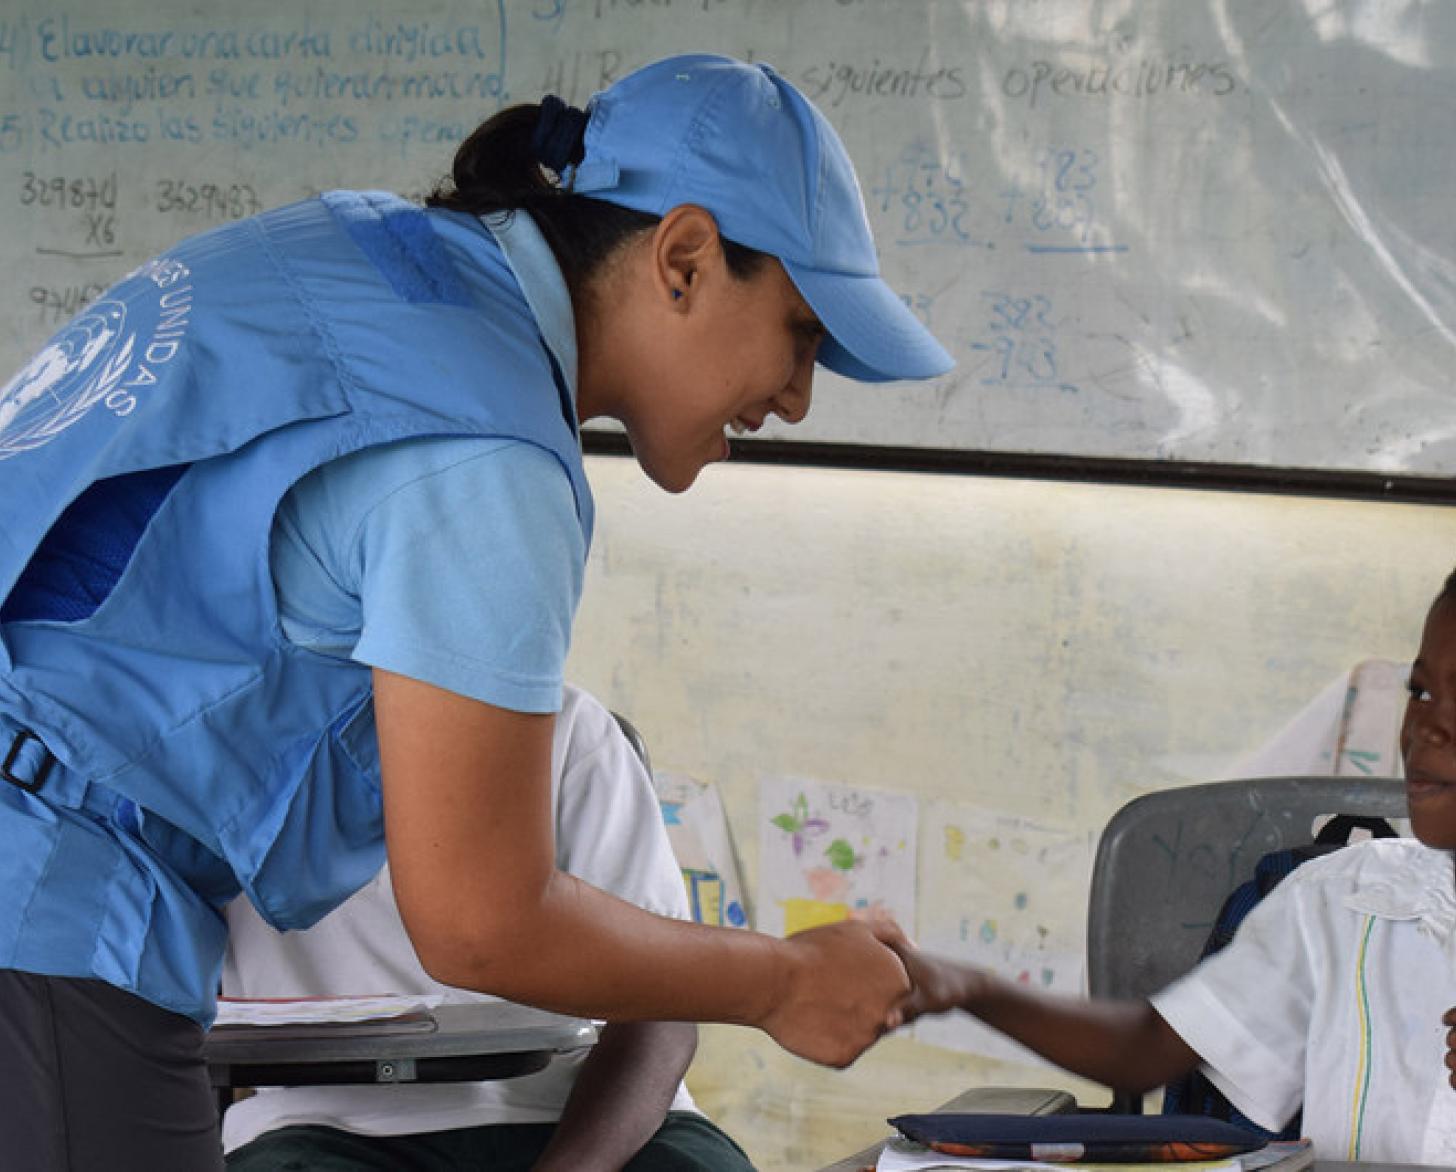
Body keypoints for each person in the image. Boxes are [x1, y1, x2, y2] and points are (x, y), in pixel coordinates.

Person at [0, 53, 952, 1169]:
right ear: (684, 257)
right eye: (800, 334)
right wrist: (783, 978)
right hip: (49, 907)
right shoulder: (484, 447)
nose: (796, 396)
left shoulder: (372, 259)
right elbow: (481, 918)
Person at [891, 568, 1456, 1166]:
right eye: (1421, 692)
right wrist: (967, 987)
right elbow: (1150, 1048)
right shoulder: (1339, 904)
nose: (1427, 726)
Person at [222, 684, 753, 1172]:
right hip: (322, 1128)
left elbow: (663, 1013)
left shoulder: (568, 729)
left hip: (586, 1114)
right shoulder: (214, 760)